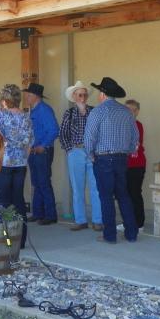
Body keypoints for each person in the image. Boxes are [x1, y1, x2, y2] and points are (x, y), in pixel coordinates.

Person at [84, 77, 139, 244]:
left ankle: (110, 235)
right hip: (121, 158)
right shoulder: (126, 112)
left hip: (103, 158)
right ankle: (131, 234)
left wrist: (90, 154)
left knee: (106, 197)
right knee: (123, 195)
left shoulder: (98, 111)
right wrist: (127, 151)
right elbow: (135, 138)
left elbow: (89, 137)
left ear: (102, 94)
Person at [0, 84, 33, 247]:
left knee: (3, 202)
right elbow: (30, 143)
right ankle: (21, 240)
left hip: (4, 164)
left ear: (5, 101)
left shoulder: (1, 116)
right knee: (18, 201)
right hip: (20, 164)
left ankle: (5, 240)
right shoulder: (26, 117)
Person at [59, 81, 102, 232]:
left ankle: (98, 220)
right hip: (76, 152)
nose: (82, 98)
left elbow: (100, 132)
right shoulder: (69, 113)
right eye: (79, 95)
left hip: (92, 152)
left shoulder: (94, 111)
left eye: (84, 95)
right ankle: (81, 220)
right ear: (74, 96)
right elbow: (63, 134)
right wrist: (70, 150)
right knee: (77, 188)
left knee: (96, 187)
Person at [23, 83, 59, 225]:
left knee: (43, 183)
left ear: (35, 96)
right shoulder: (34, 110)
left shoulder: (44, 110)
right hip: (34, 151)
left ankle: (50, 215)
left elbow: (54, 130)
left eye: (29, 94)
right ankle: (38, 213)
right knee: (37, 183)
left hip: (41, 152)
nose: (26, 96)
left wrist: (42, 146)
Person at [125, 99, 147, 229]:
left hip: (136, 165)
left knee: (135, 193)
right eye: (126, 110)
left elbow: (133, 144)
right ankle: (129, 222)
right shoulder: (122, 124)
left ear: (137, 112)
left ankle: (139, 224)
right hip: (124, 165)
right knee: (125, 195)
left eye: (132, 110)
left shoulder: (137, 125)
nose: (129, 112)